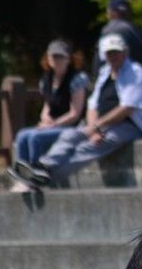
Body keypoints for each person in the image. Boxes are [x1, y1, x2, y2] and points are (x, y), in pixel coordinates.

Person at [9, 32, 142, 189]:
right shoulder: (105, 73)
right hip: (101, 124)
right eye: (109, 53)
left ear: (124, 52)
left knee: (87, 148)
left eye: (116, 52)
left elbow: (127, 108)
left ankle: (45, 179)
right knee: (70, 136)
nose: (113, 56)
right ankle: (42, 167)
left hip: (131, 125)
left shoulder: (137, 73)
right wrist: (93, 127)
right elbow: (93, 105)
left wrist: (97, 127)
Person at [7, 40, 90, 180]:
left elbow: (75, 113)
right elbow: (47, 105)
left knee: (35, 138)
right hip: (52, 125)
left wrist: (52, 124)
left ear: (68, 59)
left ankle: (36, 174)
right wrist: (44, 118)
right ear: (48, 59)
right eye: (53, 57)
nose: (57, 60)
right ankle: (21, 174)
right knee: (22, 135)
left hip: (72, 127)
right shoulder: (46, 79)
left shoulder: (77, 79)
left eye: (60, 57)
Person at [95, 0, 142, 82]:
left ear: (110, 12)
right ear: (128, 13)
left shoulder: (107, 32)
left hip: (120, 89)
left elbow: (103, 63)